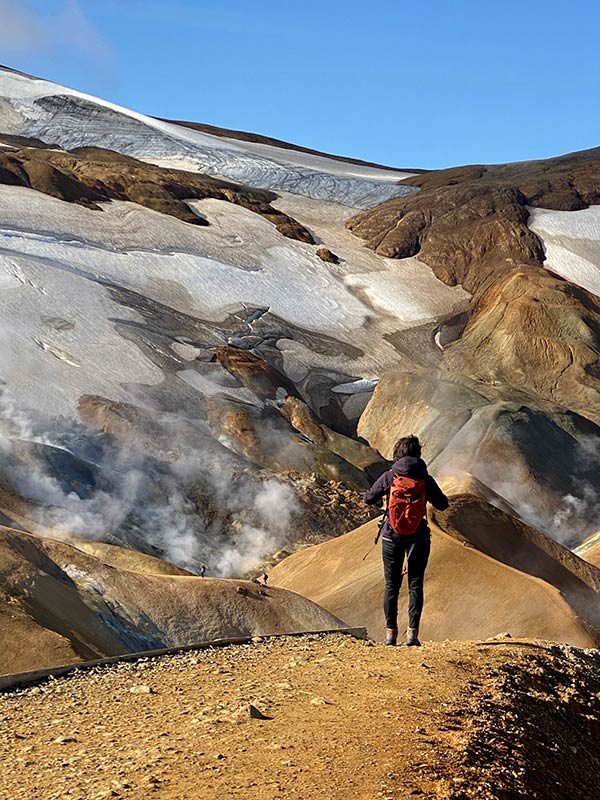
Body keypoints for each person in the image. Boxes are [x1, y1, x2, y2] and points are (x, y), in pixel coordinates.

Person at [363, 435, 448, 647]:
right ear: (418, 454)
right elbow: (443, 504)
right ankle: (412, 635)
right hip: (419, 537)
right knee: (415, 584)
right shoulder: (425, 479)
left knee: (392, 586)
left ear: (397, 453)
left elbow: (368, 498)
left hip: (391, 536)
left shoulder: (390, 476)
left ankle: (390, 635)